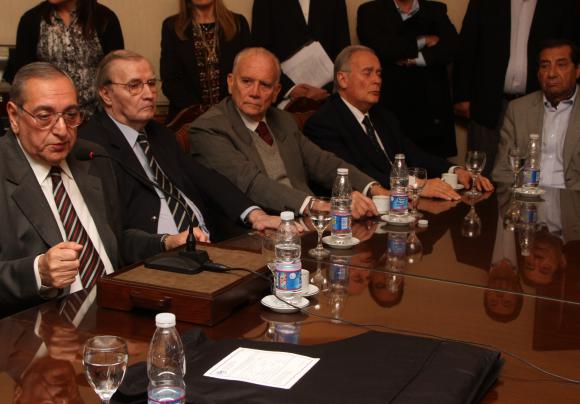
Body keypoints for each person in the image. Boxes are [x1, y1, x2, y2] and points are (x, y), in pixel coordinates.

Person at [1, 63, 174, 318]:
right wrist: (38, 273)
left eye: (71, 115)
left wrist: (164, 243)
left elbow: (115, 240)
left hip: (118, 310)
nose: (62, 130)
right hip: (44, 327)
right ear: (14, 116)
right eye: (45, 116)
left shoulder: (91, 157)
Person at [79, 50, 279, 243]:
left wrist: (255, 214)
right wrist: (167, 241)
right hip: (156, 251)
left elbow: (205, 178)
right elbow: (113, 227)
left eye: (151, 83)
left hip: (207, 238)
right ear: (106, 94)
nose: (149, 94)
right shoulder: (92, 146)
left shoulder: (158, 133)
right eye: (134, 86)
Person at [189, 47, 390, 218]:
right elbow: (251, 183)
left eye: (265, 85)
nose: (255, 92)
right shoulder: (208, 128)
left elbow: (323, 162)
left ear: (276, 92)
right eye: (247, 81)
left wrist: (373, 188)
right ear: (231, 82)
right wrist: (318, 206)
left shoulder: (283, 120)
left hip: (308, 221)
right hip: (257, 228)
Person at [304, 45, 494, 199]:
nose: (377, 80)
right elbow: (356, 174)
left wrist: (455, 170)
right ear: (342, 79)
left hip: (402, 203)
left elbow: (414, 154)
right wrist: (417, 185)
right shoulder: (323, 122)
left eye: (379, 73)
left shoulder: (383, 116)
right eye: (368, 73)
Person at [453, 0, 577, 175]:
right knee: (480, 174)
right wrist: (461, 95)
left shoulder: (561, 5)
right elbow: (467, 45)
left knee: (531, 170)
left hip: (537, 104)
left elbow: (570, 51)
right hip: (487, 103)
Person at [357, 0, 459, 158]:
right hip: (391, 107)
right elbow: (382, 48)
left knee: (435, 167)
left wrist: (415, 59)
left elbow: (452, 48)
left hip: (431, 114)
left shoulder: (436, 10)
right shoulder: (370, 11)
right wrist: (424, 40)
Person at [4, 0, 124, 116]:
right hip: (49, 117)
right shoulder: (31, 20)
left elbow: (116, 73)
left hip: (97, 116)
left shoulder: (105, 18)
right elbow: (23, 78)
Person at [492, 39, 580, 189]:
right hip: (526, 197)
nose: (551, 74)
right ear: (538, 73)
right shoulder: (518, 109)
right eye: (545, 66)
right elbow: (502, 171)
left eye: (561, 65)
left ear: (577, 70)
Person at [160, 0, 251, 121]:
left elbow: (248, 74)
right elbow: (170, 83)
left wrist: (224, 114)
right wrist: (202, 115)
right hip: (188, 120)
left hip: (233, 117)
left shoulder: (238, 23)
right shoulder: (172, 27)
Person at [251, 0, 350, 106]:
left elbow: (344, 52)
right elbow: (261, 51)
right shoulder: (265, 2)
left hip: (329, 98)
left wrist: (327, 90)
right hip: (282, 99)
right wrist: (290, 89)